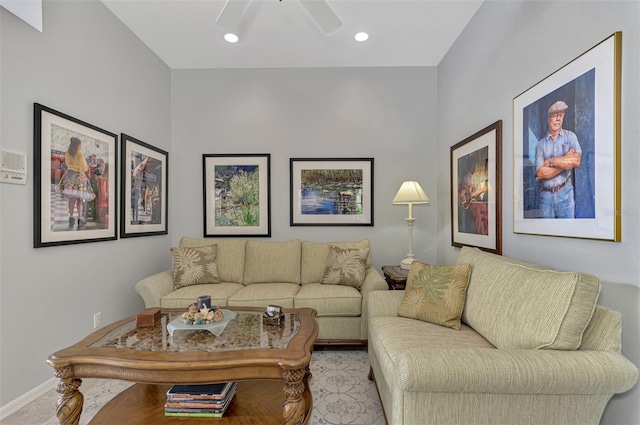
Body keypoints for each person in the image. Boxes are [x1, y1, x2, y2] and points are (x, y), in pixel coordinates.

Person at [535, 100, 582, 218]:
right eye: (554, 115)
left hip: (566, 193)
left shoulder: (570, 137)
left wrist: (552, 161)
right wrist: (566, 160)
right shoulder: (540, 145)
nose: (557, 119)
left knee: (568, 232)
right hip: (545, 196)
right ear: (548, 119)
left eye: (560, 115)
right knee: (545, 233)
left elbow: (576, 160)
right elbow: (540, 173)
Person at [57, 137, 95, 229]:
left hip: (69, 176)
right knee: (80, 199)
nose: (80, 146)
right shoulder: (80, 155)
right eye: (80, 144)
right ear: (77, 145)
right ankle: (80, 218)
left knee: (72, 199)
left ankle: (71, 217)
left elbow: (66, 164)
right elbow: (85, 167)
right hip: (79, 177)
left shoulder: (67, 153)